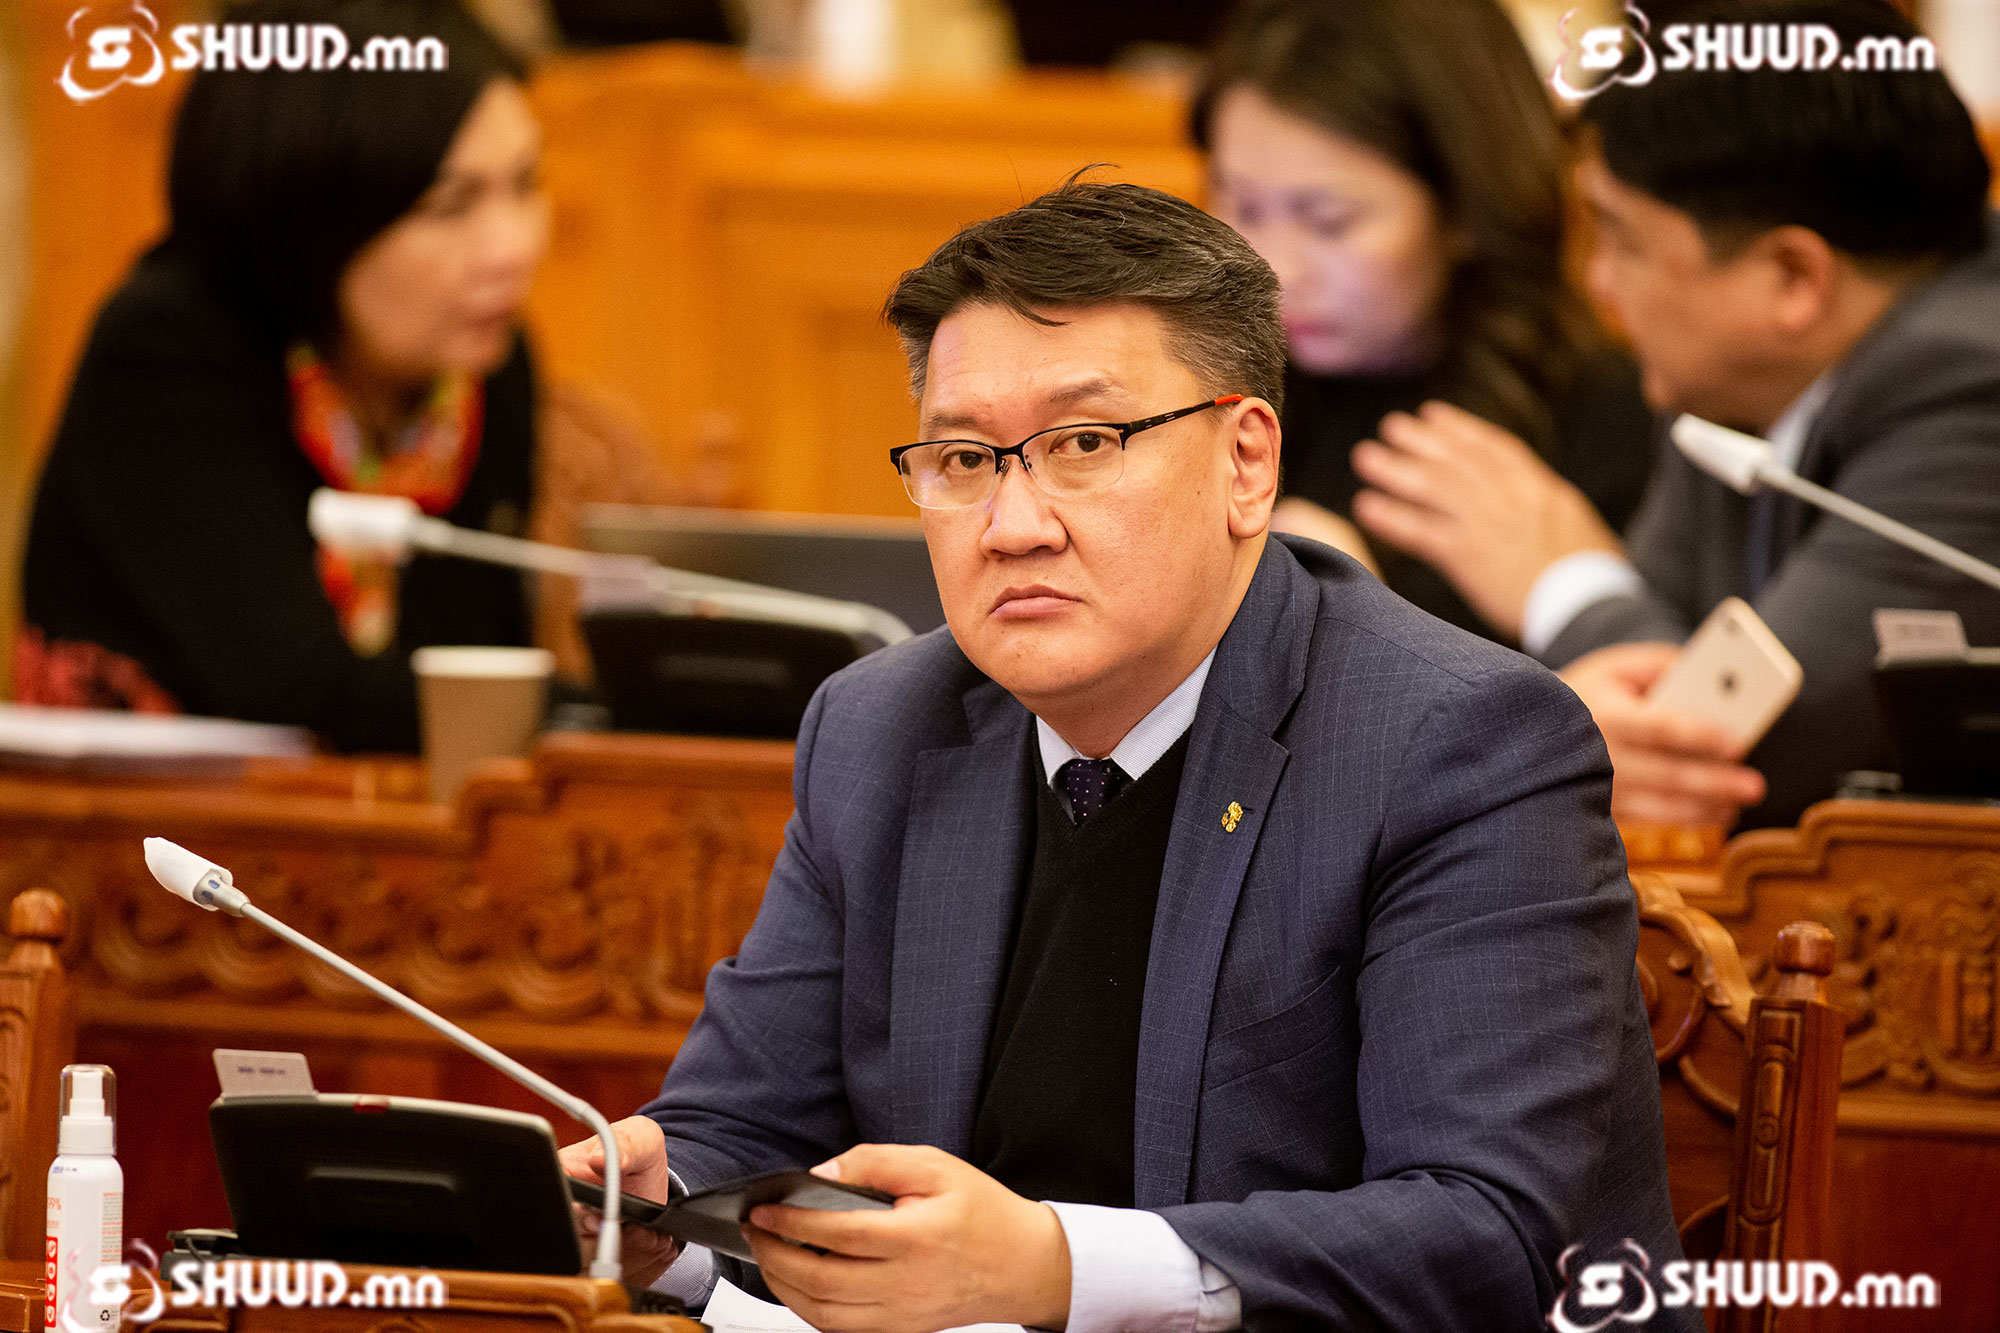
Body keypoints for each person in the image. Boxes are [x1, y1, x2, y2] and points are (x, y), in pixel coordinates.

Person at [561, 181, 1689, 1331]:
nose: (1013, 525)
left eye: (1082, 444)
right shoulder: (880, 730)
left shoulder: (1458, 744)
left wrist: (1048, 1267)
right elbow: (744, 1126)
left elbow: (1482, 1235)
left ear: (1245, 463)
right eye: (962, 459)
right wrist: (658, 1217)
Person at [1346, 0, 2000, 830]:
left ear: (1793, 278)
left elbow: (1729, 749)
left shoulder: (1971, 385)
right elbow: (1665, 685)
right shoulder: (1734, 373)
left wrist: (1561, 582)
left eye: (1624, 241)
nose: (1598, 283)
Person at [19, 0, 549, 752]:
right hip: (144, 819)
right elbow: (304, 690)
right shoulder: (168, 349)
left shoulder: (480, 364)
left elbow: (487, 664)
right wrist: (594, 711)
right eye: (450, 204)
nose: (513, 248)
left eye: (526, 184)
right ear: (311, 207)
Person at [1191, 0, 1658, 641]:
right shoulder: (1200, 387)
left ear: (1464, 208)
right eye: (1242, 206)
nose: (1275, 269)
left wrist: (1356, 624)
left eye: (1329, 222)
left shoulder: (1610, 424)